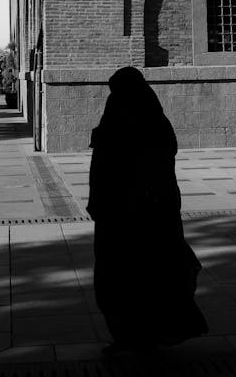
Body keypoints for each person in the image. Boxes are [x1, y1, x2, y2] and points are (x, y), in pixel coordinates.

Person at [87, 66, 208, 355]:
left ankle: (133, 337)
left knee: (124, 277)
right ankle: (144, 335)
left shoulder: (119, 121)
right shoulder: (154, 120)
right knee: (147, 275)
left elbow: (113, 168)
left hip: (125, 216)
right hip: (148, 214)